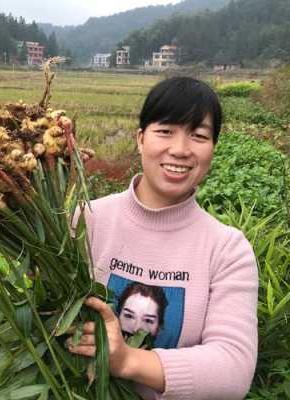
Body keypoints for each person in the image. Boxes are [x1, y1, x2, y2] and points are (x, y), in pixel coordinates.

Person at [67, 77, 258, 399]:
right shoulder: (86, 220)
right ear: (140, 139)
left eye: (198, 136)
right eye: (165, 131)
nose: (181, 150)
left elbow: (233, 370)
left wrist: (128, 360)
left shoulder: (227, 249)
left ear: (213, 148)